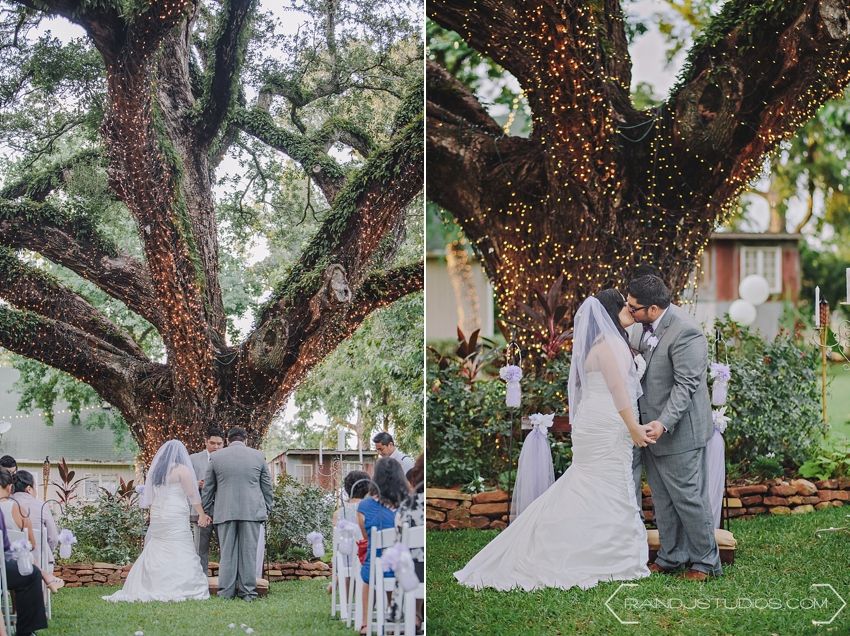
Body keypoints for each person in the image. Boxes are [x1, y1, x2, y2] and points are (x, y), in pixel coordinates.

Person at [454, 290, 655, 591]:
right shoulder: (611, 344)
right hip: (607, 420)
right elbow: (618, 390)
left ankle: (591, 547)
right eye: (625, 307)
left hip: (595, 418)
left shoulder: (603, 343)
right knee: (601, 482)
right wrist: (634, 427)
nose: (630, 310)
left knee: (590, 482)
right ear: (612, 312)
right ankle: (591, 552)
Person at [627, 274, 721, 581]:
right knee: (663, 498)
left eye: (634, 308)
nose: (630, 312)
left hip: (678, 431)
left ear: (654, 309)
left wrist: (663, 423)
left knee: (688, 498)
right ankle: (671, 556)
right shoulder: (644, 325)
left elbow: (687, 386)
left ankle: (706, 562)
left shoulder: (686, 332)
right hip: (650, 430)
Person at [103, 440, 211, 602]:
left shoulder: (157, 472)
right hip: (175, 513)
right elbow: (192, 495)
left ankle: (150, 584)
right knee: (179, 544)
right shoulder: (183, 470)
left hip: (159, 514)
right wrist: (202, 514)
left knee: (158, 545)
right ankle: (179, 585)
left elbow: (151, 496)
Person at [201, 426, 274, 601]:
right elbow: (267, 487)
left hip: (224, 511)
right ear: (245, 440)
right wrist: (267, 508)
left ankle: (225, 593)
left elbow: (208, 489)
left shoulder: (216, 457)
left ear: (227, 440)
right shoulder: (259, 456)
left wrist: (208, 510)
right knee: (248, 552)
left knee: (227, 553)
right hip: (252, 511)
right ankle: (248, 592)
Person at [357, 457, 409, 635]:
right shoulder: (409, 505)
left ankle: (365, 623)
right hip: (405, 569)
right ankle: (395, 615)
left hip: (375, 568)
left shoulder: (364, 506)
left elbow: (367, 538)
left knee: (369, 573)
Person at [0, 470, 63, 592]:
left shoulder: (8, 504)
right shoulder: (34, 507)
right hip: (33, 562)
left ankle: (15, 608)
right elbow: (53, 538)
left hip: (7, 565)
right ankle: (46, 582)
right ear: (29, 489)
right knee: (29, 556)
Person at [0, 476, 48, 635]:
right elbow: (8, 547)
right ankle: (26, 631)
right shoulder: (19, 509)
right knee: (30, 573)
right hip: (2, 569)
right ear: (8, 487)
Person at [388, 454, 424, 629]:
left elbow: (398, 537)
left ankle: (410, 614)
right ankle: (417, 613)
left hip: (412, 571)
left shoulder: (407, 505)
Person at [189, 429, 224, 575]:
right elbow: (184, 483)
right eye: (212, 443)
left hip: (223, 510)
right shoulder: (193, 459)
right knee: (200, 548)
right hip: (200, 510)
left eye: (219, 444)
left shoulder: (227, 458)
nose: (216, 447)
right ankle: (200, 580)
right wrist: (196, 483)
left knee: (225, 548)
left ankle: (225, 580)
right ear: (205, 441)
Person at [11, 471, 60, 577]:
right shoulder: (41, 506)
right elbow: (53, 538)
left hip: (12, 566)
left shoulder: (6, 506)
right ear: (29, 489)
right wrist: (45, 551)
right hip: (42, 564)